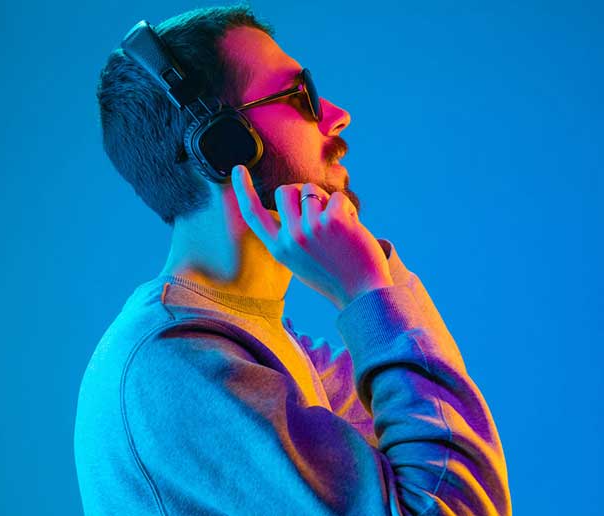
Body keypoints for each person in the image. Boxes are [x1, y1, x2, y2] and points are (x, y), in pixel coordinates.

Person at [74, 6, 511, 515]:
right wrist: (366, 292)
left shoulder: (269, 349)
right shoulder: (172, 367)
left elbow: (449, 447)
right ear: (222, 143)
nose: (337, 114)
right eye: (300, 96)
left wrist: (377, 276)